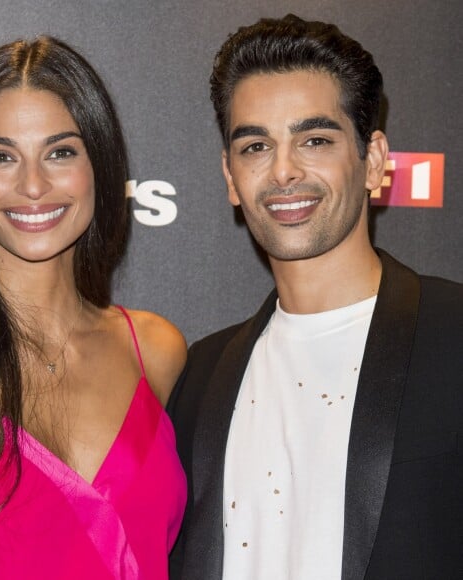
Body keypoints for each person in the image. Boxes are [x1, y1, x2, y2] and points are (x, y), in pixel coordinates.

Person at [168, 14, 463, 580]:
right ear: (231, 177)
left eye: (315, 140)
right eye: (256, 145)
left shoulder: (454, 336)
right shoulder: (198, 378)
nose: (283, 170)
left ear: (373, 160)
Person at [0, 36, 187, 579]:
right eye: (1, 157)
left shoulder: (156, 351)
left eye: (61, 152)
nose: (32, 185)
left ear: (100, 165)